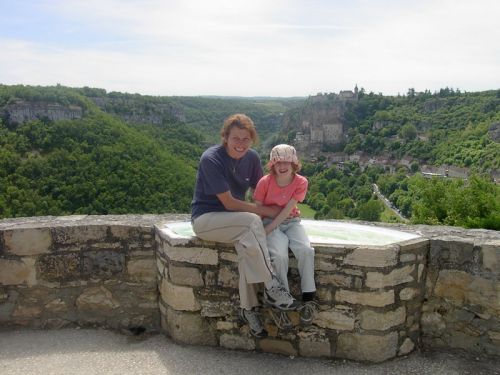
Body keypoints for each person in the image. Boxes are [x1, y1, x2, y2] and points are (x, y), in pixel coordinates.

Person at [191, 114, 299, 338]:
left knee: (246, 250)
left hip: (237, 223)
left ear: (252, 140)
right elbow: (229, 203)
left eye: (246, 139)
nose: (240, 144)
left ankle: (248, 309)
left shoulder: (250, 158)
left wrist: (286, 210)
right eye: (235, 138)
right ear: (225, 137)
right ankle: (272, 285)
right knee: (251, 222)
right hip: (207, 219)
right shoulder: (211, 159)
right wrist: (269, 213)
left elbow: (263, 192)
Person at [253, 144, 317, 328]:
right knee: (279, 256)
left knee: (306, 250)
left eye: (286, 162)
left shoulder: (301, 182)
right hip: (268, 222)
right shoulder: (265, 182)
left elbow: (288, 211)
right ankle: (281, 302)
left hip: (290, 222)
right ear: (272, 164)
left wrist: (269, 229)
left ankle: (308, 299)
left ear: (294, 163)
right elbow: (258, 209)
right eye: (278, 162)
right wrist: (259, 231)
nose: (282, 166)